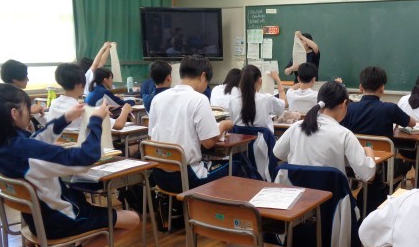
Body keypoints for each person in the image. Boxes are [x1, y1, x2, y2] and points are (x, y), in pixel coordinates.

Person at [0, 83, 139, 247]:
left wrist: (65, 118)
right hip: (61, 220)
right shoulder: (24, 150)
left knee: (88, 205)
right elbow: (84, 159)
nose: (30, 112)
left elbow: (35, 141)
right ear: (14, 113)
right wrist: (95, 121)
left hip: (36, 221)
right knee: (132, 219)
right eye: (27, 108)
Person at [148, 55, 233, 193]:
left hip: (159, 175)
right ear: (203, 76)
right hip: (185, 177)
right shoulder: (199, 99)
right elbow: (209, 143)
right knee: (236, 164)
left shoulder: (157, 99)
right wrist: (223, 125)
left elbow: (152, 137)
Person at [273, 81, 376, 182]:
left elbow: (278, 152)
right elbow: (367, 175)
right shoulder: (345, 134)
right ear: (344, 104)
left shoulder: (297, 126)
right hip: (330, 193)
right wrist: (369, 152)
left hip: (298, 191)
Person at [50, 63, 132, 130]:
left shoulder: (54, 104)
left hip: (62, 144)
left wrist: (98, 110)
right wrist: (125, 110)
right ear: (81, 84)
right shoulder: (83, 111)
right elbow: (119, 125)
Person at [341, 66, 414, 138]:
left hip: (356, 146)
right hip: (384, 146)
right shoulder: (391, 108)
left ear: (360, 88)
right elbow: (412, 123)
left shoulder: (348, 108)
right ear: (382, 88)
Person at [228, 65, 286, 133]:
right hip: (263, 139)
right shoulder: (267, 99)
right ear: (260, 80)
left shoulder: (233, 101)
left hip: (239, 139)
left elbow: (232, 121)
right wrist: (277, 79)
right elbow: (284, 105)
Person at [0, 59, 46, 130]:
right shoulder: (17, 96)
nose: (28, 79)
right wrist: (29, 111)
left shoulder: (1, 92)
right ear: (14, 79)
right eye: (25, 76)